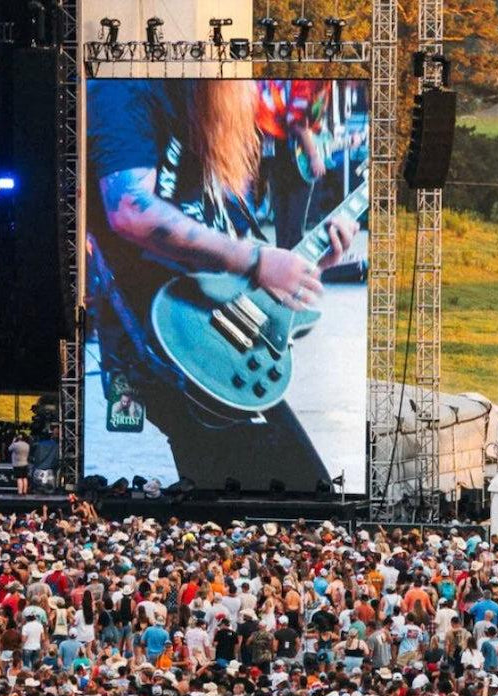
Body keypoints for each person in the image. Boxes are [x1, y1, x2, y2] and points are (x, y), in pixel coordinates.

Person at [84, 78, 359, 490]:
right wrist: (256, 261)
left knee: (277, 494)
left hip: (223, 335)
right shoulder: (126, 87)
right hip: (170, 336)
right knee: (293, 493)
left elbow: (224, 240)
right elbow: (129, 209)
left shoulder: (211, 112)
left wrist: (304, 262)